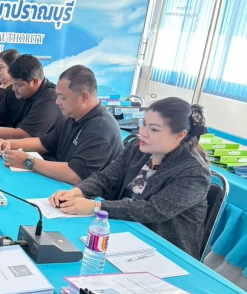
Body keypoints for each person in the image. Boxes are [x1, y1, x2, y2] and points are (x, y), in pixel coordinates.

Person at [49, 97, 211, 258]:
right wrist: (77, 192)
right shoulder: (137, 148)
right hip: (123, 230)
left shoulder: (194, 172)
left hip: (163, 251)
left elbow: (153, 210)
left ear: (180, 135)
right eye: (144, 124)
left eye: (154, 130)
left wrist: (95, 206)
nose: (143, 133)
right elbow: (106, 177)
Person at [0, 65, 123, 184]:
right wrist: (8, 143)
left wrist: (28, 161)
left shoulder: (100, 128)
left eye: (63, 97)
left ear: (84, 97)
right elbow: (43, 143)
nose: (57, 102)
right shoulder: (73, 117)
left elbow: (75, 175)